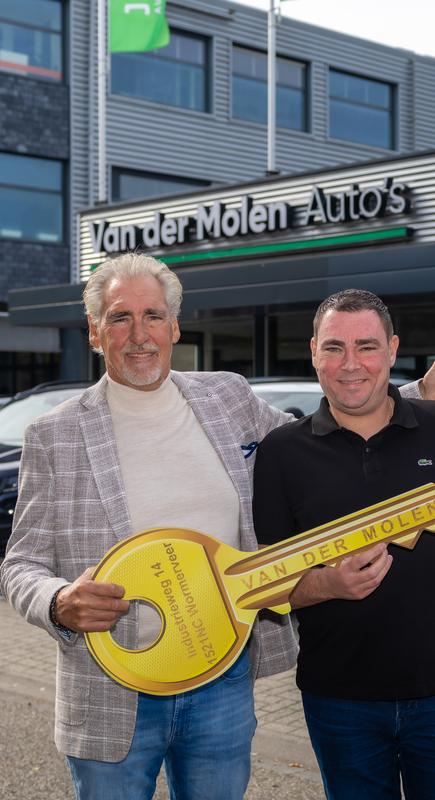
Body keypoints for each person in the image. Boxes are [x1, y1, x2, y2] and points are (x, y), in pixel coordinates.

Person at [0, 253, 297, 800]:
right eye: (120, 317)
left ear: (175, 326)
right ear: (95, 331)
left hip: (222, 677)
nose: (139, 335)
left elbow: (317, 446)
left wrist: (413, 397)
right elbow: (20, 564)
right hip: (109, 688)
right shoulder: (54, 435)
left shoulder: (228, 398)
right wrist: (59, 601)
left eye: (153, 316)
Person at [253, 288, 435, 800]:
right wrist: (326, 585)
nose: (350, 364)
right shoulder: (281, 452)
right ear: (314, 352)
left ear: (393, 350)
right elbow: (268, 587)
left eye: (367, 346)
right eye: (334, 347)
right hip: (340, 700)